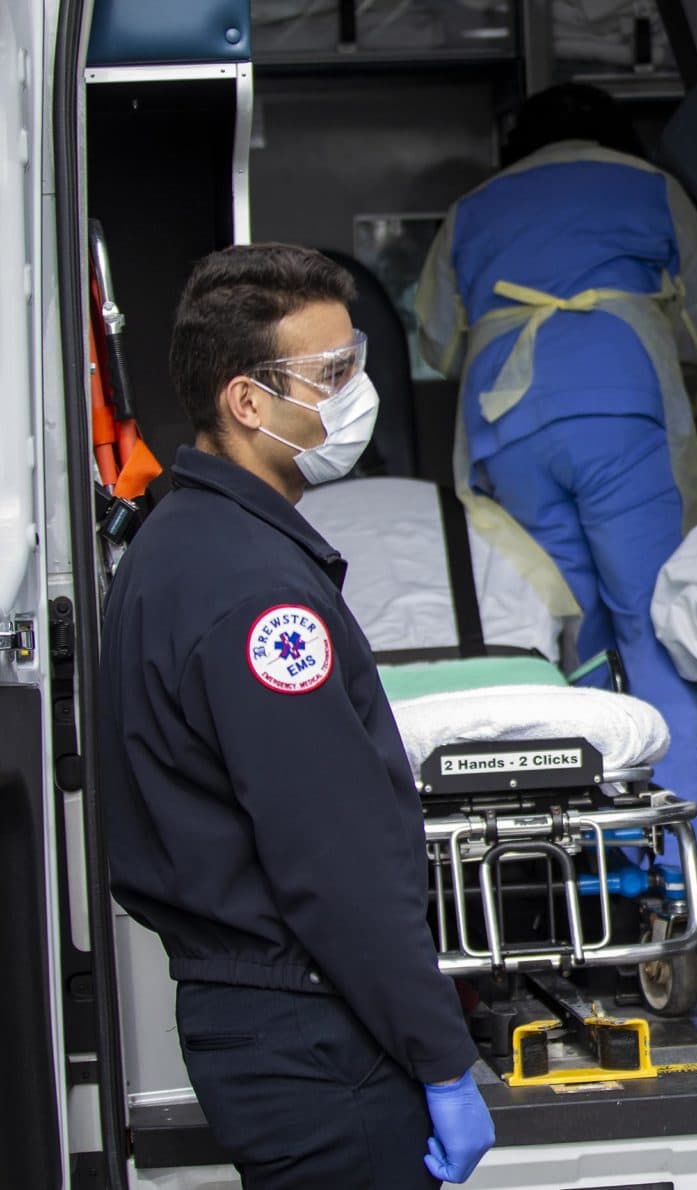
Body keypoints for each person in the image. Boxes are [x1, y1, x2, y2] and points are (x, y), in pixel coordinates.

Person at [97, 245, 494, 1188]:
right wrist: (441, 1056)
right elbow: (334, 861)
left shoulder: (182, 543)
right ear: (247, 402)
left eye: (355, 359)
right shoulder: (257, 596)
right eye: (332, 375)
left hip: (268, 1022)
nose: (358, 392)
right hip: (320, 1039)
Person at [414, 83, 697, 919]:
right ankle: (677, 856)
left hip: (507, 426)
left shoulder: (473, 207)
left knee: (565, 635)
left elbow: (438, 340)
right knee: (658, 624)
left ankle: (578, 855)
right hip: (624, 407)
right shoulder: (649, 185)